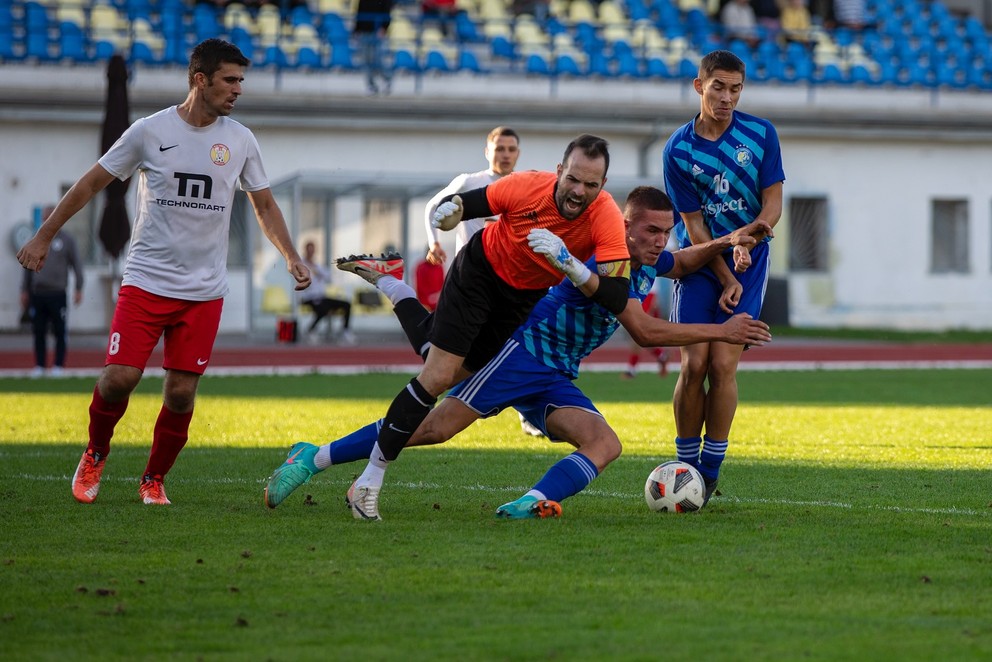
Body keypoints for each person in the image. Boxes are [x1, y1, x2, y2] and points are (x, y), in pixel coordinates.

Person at [263, 187, 773, 518]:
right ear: (624, 224)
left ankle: (530, 503)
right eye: (650, 231)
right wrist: (724, 331)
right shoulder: (605, 257)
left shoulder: (645, 255)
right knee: (434, 425)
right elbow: (644, 331)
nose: (658, 241)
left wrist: (727, 240)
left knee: (604, 443)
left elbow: (681, 261)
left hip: (554, 372)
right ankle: (316, 456)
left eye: (664, 231)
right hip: (518, 353)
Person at [16, 38, 311, 506]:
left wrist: (291, 255)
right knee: (119, 378)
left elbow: (265, 205)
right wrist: (44, 236)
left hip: (204, 291)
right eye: (230, 80)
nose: (238, 90)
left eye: (241, 81)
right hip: (147, 282)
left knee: (180, 395)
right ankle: (95, 452)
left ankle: (153, 479)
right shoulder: (148, 132)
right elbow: (92, 183)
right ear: (201, 79)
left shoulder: (241, 140)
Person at [333, 134, 633, 520]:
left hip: (520, 301)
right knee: (437, 375)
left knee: (434, 357)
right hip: (479, 273)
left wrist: (572, 267)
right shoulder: (525, 185)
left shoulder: (605, 215)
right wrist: (452, 213)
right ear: (559, 171)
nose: (579, 192)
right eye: (573, 179)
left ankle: (392, 282)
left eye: (591, 185)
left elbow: (616, 296)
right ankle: (370, 480)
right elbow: (465, 204)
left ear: (603, 186)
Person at [662, 49, 785, 503]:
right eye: (718, 87)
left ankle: (709, 471)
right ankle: (685, 463)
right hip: (699, 264)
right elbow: (694, 228)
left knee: (722, 364)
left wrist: (751, 239)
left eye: (735, 89)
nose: (727, 97)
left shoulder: (761, 133)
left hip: (750, 262)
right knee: (693, 364)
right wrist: (724, 266)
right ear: (699, 86)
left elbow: (772, 203)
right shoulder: (678, 148)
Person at [424, 126, 521, 267]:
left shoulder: (524, 187)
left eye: (511, 150)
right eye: (500, 149)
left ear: (517, 153)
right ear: (487, 152)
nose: (506, 155)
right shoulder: (468, 182)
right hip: (468, 271)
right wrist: (434, 243)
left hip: (507, 273)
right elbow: (432, 206)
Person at [20, 205, 84, 377]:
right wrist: (24, 290)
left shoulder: (67, 240)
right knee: (38, 331)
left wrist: (79, 288)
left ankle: (58, 365)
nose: (48, 221)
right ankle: (40, 365)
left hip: (57, 293)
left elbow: (76, 265)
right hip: (38, 294)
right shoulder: (35, 240)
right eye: (46, 218)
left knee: (59, 330)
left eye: (52, 217)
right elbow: (27, 267)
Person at [299, 240, 354, 345]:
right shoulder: (302, 264)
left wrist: (317, 270)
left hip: (321, 296)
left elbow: (328, 276)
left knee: (346, 304)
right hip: (308, 297)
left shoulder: (317, 265)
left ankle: (345, 331)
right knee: (323, 309)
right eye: (309, 250)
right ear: (305, 250)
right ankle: (310, 330)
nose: (311, 252)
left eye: (313, 250)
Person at [622, 279, 668, 379]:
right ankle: (662, 355)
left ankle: (631, 369)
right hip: (637, 293)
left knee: (638, 332)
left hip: (647, 293)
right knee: (642, 337)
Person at [353, 0, 394, 95]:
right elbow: (359, 13)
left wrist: (384, 28)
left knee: (377, 59)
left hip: (376, 32)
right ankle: (371, 85)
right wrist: (356, 29)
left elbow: (387, 13)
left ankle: (387, 79)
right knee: (366, 60)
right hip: (364, 32)